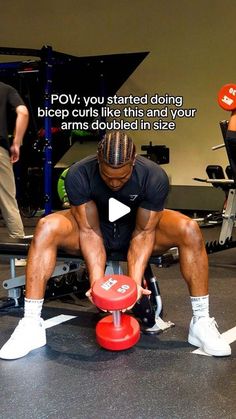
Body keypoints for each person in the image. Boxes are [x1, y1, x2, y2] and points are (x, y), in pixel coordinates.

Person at [0, 130, 232, 360]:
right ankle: (31, 323)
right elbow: (89, 232)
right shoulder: (79, 173)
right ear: (98, 161)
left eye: (121, 178)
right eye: (107, 175)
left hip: (136, 230)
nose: (114, 182)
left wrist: (132, 286)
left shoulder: (153, 176)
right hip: (93, 229)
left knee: (189, 229)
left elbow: (143, 233)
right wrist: (98, 284)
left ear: (133, 162)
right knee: (46, 227)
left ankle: (200, 322)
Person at [0, 81, 29, 240]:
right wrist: (16, 143)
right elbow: (23, 112)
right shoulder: (6, 89)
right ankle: (18, 247)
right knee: (7, 198)